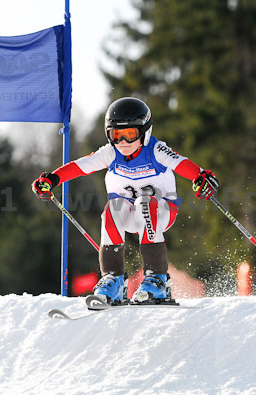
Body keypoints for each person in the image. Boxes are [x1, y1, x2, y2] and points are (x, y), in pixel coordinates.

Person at [32, 97, 219, 303]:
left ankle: (157, 279)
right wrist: (52, 179)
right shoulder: (111, 153)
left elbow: (180, 162)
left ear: (145, 132)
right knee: (114, 207)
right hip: (131, 216)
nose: (123, 142)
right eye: (116, 134)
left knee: (144, 203)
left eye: (130, 135)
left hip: (163, 212)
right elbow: (80, 166)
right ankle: (113, 279)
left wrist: (199, 176)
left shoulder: (155, 150)